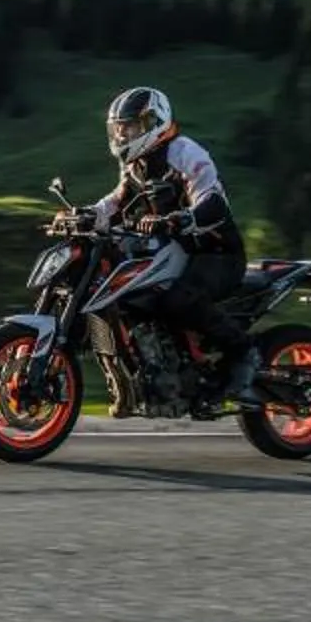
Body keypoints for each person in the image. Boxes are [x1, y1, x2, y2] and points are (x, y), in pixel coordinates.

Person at [90, 85, 262, 404]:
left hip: (216, 251)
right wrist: (88, 215)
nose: (123, 134)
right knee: (132, 294)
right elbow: (118, 201)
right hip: (179, 251)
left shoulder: (185, 153)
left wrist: (182, 218)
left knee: (179, 299)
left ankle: (243, 352)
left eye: (130, 126)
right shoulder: (136, 165)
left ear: (154, 122)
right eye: (119, 128)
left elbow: (213, 201)